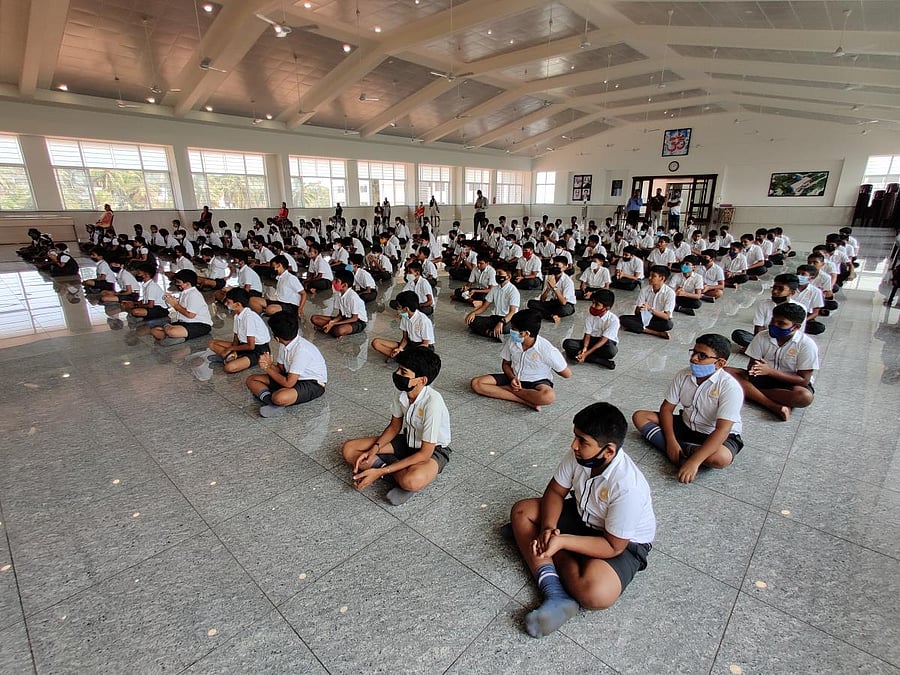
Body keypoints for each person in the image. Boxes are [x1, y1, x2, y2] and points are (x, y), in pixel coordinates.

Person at [507, 402, 655, 637]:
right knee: (522, 511)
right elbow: (556, 492)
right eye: (576, 437)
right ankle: (555, 593)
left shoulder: (628, 486)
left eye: (583, 442)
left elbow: (613, 545)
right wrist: (547, 528)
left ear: (608, 451)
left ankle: (541, 549)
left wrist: (562, 540)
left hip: (620, 542)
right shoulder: (581, 456)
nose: (574, 446)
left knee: (596, 593)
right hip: (583, 515)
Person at [342, 347, 450, 506]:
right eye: (399, 369)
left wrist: (381, 471)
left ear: (422, 380)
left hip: (433, 450)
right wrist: (374, 449)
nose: (398, 374)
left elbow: (425, 453)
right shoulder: (403, 393)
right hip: (407, 441)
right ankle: (396, 472)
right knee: (350, 449)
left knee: (412, 480)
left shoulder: (433, 402)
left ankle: (391, 473)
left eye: (404, 372)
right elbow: (394, 427)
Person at [633, 334, 744, 483]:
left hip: (714, 434)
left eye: (702, 356)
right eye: (694, 352)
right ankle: (678, 449)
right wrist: (671, 441)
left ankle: (685, 453)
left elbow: (722, 430)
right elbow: (666, 409)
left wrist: (694, 462)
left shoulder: (730, 387)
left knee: (721, 458)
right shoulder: (683, 375)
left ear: (720, 363)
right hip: (687, 425)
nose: (694, 358)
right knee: (640, 416)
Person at [726, 303, 818, 421]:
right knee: (725, 372)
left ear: (795, 327)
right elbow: (752, 365)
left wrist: (770, 372)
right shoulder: (761, 336)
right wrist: (755, 369)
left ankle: (752, 393)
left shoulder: (806, 345)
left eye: (781, 323)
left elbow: (804, 380)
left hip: (790, 384)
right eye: (773, 320)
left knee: (804, 397)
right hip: (762, 377)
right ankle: (773, 405)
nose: (774, 325)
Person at [470, 309, 572, 412]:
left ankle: (508, 389)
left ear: (526, 333)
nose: (511, 331)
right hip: (513, 378)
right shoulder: (512, 341)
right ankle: (525, 401)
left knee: (548, 396)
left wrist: (552, 361)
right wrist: (512, 378)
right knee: (477, 383)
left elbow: (567, 374)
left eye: (514, 329)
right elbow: (506, 364)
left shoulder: (547, 350)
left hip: (536, 383)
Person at [245, 310, 327, 418]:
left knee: (279, 397)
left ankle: (277, 400)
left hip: (312, 383)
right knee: (251, 379)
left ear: (277, 338)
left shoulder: (302, 350)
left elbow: (289, 383)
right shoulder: (285, 344)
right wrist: (269, 364)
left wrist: (268, 368)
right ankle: (273, 402)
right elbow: (280, 370)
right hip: (291, 377)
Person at [207, 288, 271, 374]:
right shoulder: (237, 316)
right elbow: (236, 338)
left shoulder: (249, 317)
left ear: (237, 304)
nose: (226, 304)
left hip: (258, 349)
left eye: (229, 302)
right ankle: (232, 356)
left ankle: (230, 358)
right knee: (211, 343)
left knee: (229, 368)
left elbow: (251, 346)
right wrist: (233, 349)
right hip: (243, 345)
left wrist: (231, 348)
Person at [731, 273, 804, 348]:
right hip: (766, 339)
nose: (775, 291)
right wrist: (758, 345)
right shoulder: (764, 304)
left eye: (780, 289)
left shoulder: (799, 308)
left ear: (792, 293)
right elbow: (758, 328)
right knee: (738, 334)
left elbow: (797, 334)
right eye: (774, 287)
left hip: (786, 342)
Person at [150, 269, 213, 345]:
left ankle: (171, 336)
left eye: (178, 282)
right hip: (184, 322)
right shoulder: (185, 292)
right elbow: (181, 309)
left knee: (171, 331)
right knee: (154, 330)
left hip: (200, 325)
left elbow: (190, 315)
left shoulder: (194, 295)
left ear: (187, 284)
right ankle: (175, 337)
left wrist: (175, 305)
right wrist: (172, 301)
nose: (177, 284)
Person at [562, 290, 619, 370]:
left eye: (597, 305)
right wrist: (585, 348)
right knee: (567, 343)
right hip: (591, 341)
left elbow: (603, 340)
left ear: (607, 308)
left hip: (605, 344)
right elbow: (587, 335)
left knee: (611, 351)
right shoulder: (590, 316)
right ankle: (600, 360)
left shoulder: (613, 320)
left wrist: (586, 354)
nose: (593, 306)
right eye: (593, 303)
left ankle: (585, 356)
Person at [371, 291, 435, 359]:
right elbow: (405, 339)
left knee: (419, 357)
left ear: (406, 309)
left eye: (399, 307)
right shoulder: (405, 316)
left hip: (422, 348)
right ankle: (401, 357)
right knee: (376, 342)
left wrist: (407, 351)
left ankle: (401, 357)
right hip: (410, 344)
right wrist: (400, 349)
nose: (398, 309)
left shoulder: (423, 321)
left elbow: (425, 344)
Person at [620, 265, 675, 339]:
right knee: (622, 319)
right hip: (645, 317)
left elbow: (666, 316)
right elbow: (636, 312)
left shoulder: (669, 293)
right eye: (650, 275)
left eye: (653, 276)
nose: (649, 278)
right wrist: (640, 309)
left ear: (662, 278)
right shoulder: (645, 290)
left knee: (668, 324)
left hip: (659, 319)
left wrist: (650, 309)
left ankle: (639, 328)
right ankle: (656, 333)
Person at [310, 269, 367, 338]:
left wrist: (334, 323)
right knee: (314, 318)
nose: (334, 282)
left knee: (339, 330)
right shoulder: (338, 294)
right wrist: (332, 322)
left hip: (358, 321)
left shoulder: (352, 297)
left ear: (344, 285)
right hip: (345, 318)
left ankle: (330, 329)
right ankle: (330, 329)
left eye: (337, 281)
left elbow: (354, 318)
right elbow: (340, 314)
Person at [465, 270, 520, 340]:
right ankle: (491, 333)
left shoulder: (513, 291)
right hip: (496, 317)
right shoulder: (495, 289)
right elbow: (484, 306)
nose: (497, 276)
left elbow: (512, 312)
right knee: (471, 320)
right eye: (496, 273)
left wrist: (502, 322)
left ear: (508, 277)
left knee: (506, 328)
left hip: (508, 319)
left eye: (500, 274)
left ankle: (490, 331)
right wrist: (473, 313)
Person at [527, 256, 576, 323]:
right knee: (531, 303)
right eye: (553, 265)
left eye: (557, 265)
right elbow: (542, 299)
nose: (554, 267)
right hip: (553, 302)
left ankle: (544, 314)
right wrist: (548, 289)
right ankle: (551, 316)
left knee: (563, 310)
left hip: (566, 304)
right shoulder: (550, 278)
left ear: (564, 267)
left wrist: (554, 287)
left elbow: (563, 302)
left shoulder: (568, 281)